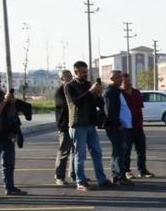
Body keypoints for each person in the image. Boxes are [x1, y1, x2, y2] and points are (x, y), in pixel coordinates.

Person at [64, 61, 110, 191]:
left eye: (86, 72)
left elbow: (99, 104)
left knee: (97, 152)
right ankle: (81, 182)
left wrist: (99, 94)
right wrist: (91, 91)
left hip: (90, 124)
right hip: (78, 125)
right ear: (76, 72)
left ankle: (101, 179)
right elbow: (76, 102)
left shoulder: (89, 85)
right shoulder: (69, 86)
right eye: (83, 72)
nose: (85, 74)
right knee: (80, 154)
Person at [0, 83, 26, 200]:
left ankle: (10, 188)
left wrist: (11, 101)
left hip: (8, 134)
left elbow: (12, 113)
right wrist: (4, 101)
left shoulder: (2, 95)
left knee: (9, 164)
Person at [102, 70, 134, 186]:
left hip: (122, 126)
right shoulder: (110, 92)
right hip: (116, 127)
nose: (121, 80)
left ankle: (117, 176)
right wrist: (117, 124)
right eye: (118, 78)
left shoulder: (117, 91)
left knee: (118, 151)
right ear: (112, 79)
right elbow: (110, 111)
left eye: (121, 77)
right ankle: (119, 176)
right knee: (119, 151)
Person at [121, 73, 153, 179]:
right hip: (126, 127)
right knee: (126, 150)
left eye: (129, 81)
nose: (128, 83)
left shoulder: (136, 92)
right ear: (121, 83)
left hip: (138, 126)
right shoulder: (120, 94)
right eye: (125, 82)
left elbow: (140, 107)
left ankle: (142, 170)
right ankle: (126, 171)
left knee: (141, 149)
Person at [53, 70, 74, 185]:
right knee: (64, 152)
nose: (69, 79)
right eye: (66, 77)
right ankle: (59, 176)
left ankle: (74, 174)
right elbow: (68, 106)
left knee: (75, 152)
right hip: (64, 126)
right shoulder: (60, 92)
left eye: (70, 77)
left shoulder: (72, 90)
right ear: (61, 79)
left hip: (75, 125)